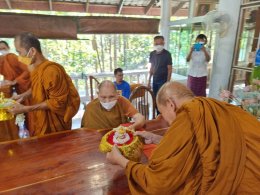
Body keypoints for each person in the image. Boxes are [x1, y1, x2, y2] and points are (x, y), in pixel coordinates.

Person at [107, 81, 260, 194]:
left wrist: (121, 161)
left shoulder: (186, 116)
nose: (168, 122)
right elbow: (203, 145)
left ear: (171, 104)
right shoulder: (221, 108)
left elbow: (158, 181)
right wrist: (156, 138)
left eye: (164, 116)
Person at [8, 32, 80, 136]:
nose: (19, 58)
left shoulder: (51, 71)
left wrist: (26, 109)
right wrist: (22, 96)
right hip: (41, 118)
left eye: (19, 52)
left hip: (55, 124)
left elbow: (58, 102)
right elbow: (38, 88)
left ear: (32, 51)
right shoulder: (36, 69)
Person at [148, 35, 172, 113]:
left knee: (161, 98)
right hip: (154, 79)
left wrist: (167, 82)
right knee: (154, 98)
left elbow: (169, 69)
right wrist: (149, 81)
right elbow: (151, 68)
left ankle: (161, 115)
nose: (158, 45)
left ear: (163, 43)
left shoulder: (167, 54)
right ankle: (157, 115)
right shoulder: (152, 54)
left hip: (163, 80)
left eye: (160, 43)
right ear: (154, 44)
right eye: (156, 44)